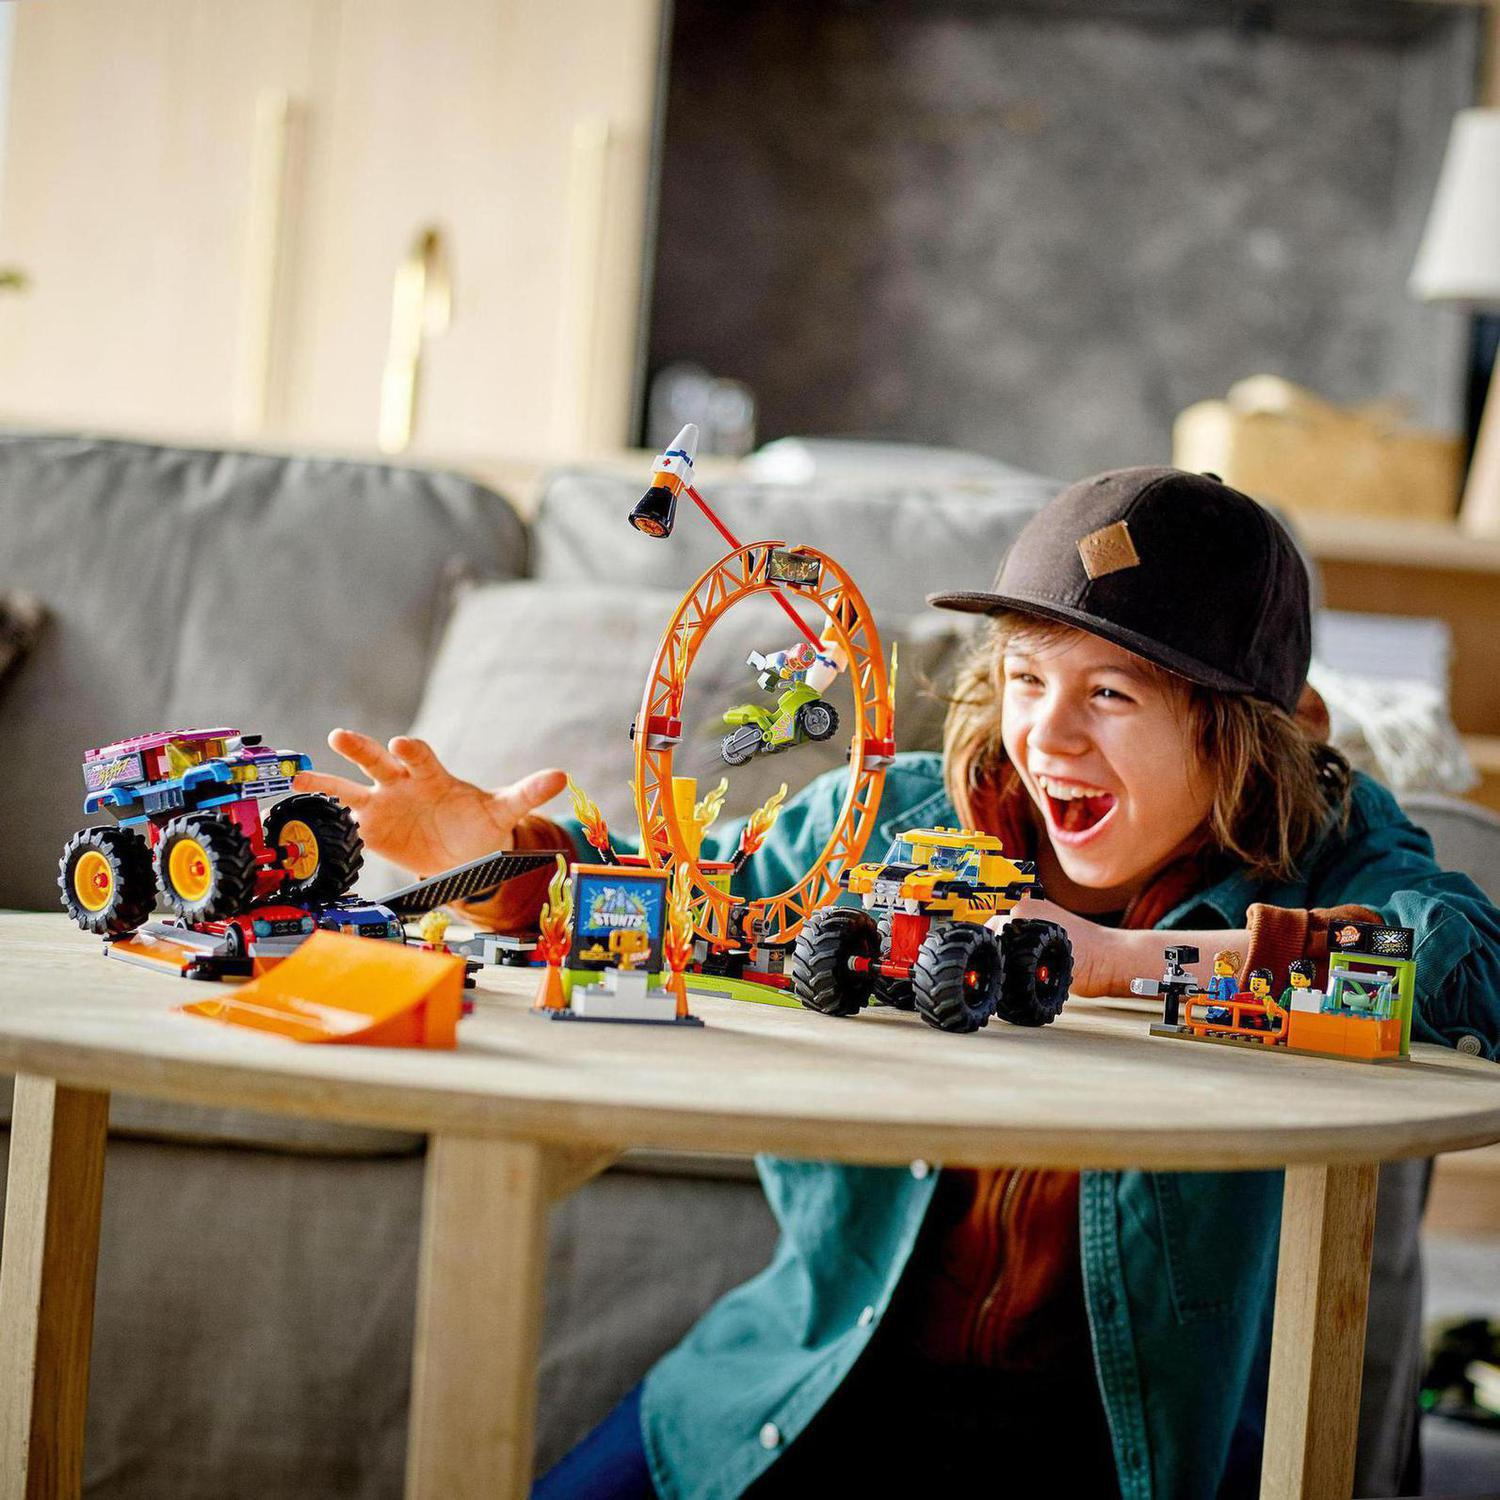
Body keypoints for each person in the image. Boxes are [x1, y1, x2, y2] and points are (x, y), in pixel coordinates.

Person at [295, 467, 1500, 1498]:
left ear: (1249, 732)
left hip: (1126, 1448)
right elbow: (695, 904)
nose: (1052, 739)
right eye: (1029, 680)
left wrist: (1132, 965)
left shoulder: (1325, 845)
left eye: (1112, 695)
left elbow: (1471, 973)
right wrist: (506, 865)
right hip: (812, 1391)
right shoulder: (885, 820)